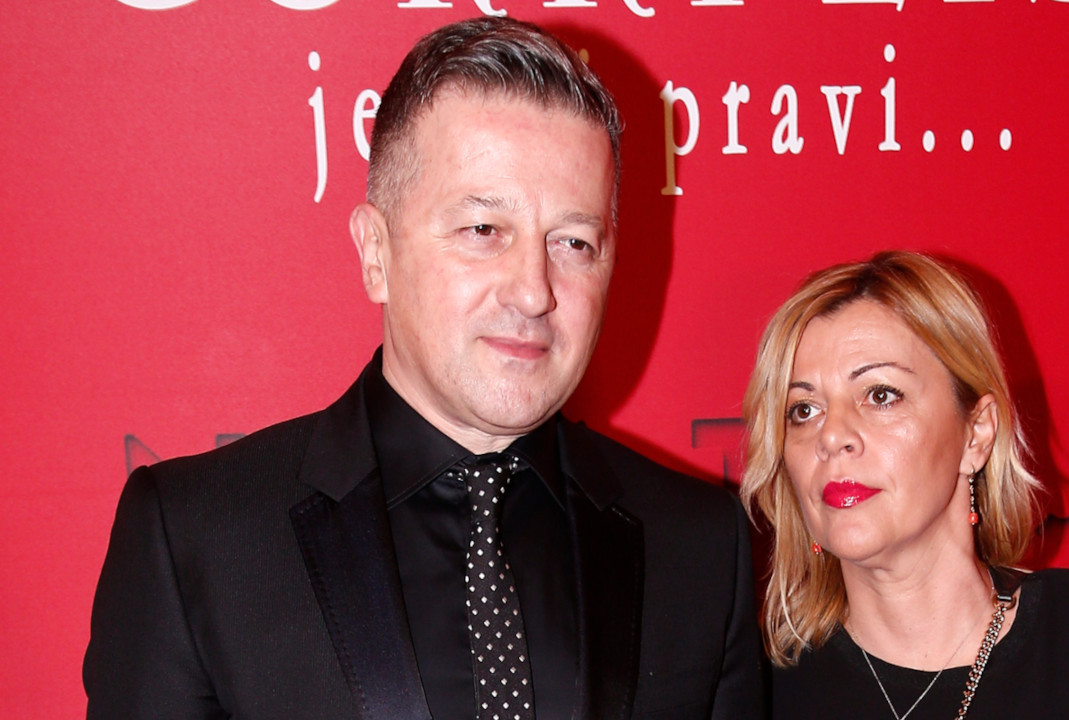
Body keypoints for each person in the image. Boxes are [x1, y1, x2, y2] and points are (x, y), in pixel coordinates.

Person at [84, 17, 763, 720]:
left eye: (573, 242)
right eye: (483, 230)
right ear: (375, 253)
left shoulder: (701, 547)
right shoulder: (197, 539)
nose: (534, 290)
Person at [740, 251, 1069, 719]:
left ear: (977, 433)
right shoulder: (758, 687)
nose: (831, 437)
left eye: (881, 395)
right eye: (803, 410)